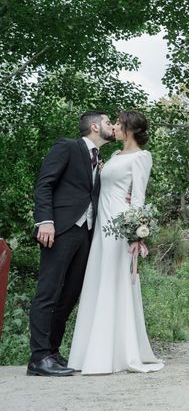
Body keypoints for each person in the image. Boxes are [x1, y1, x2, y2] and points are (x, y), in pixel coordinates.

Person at [68, 110, 164, 374]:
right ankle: (91, 352)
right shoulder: (112, 156)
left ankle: (118, 353)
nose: (115, 128)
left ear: (130, 129)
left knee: (115, 280)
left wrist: (136, 235)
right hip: (101, 225)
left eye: (119, 124)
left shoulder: (142, 157)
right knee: (99, 279)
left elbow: (139, 198)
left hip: (120, 227)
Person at [28, 111, 114, 377]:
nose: (113, 126)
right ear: (95, 126)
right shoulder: (67, 146)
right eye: (109, 122)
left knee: (69, 296)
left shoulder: (100, 160)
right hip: (60, 229)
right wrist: (45, 221)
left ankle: (52, 352)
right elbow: (44, 185)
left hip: (87, 233)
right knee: (48, 293)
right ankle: (38, 358)